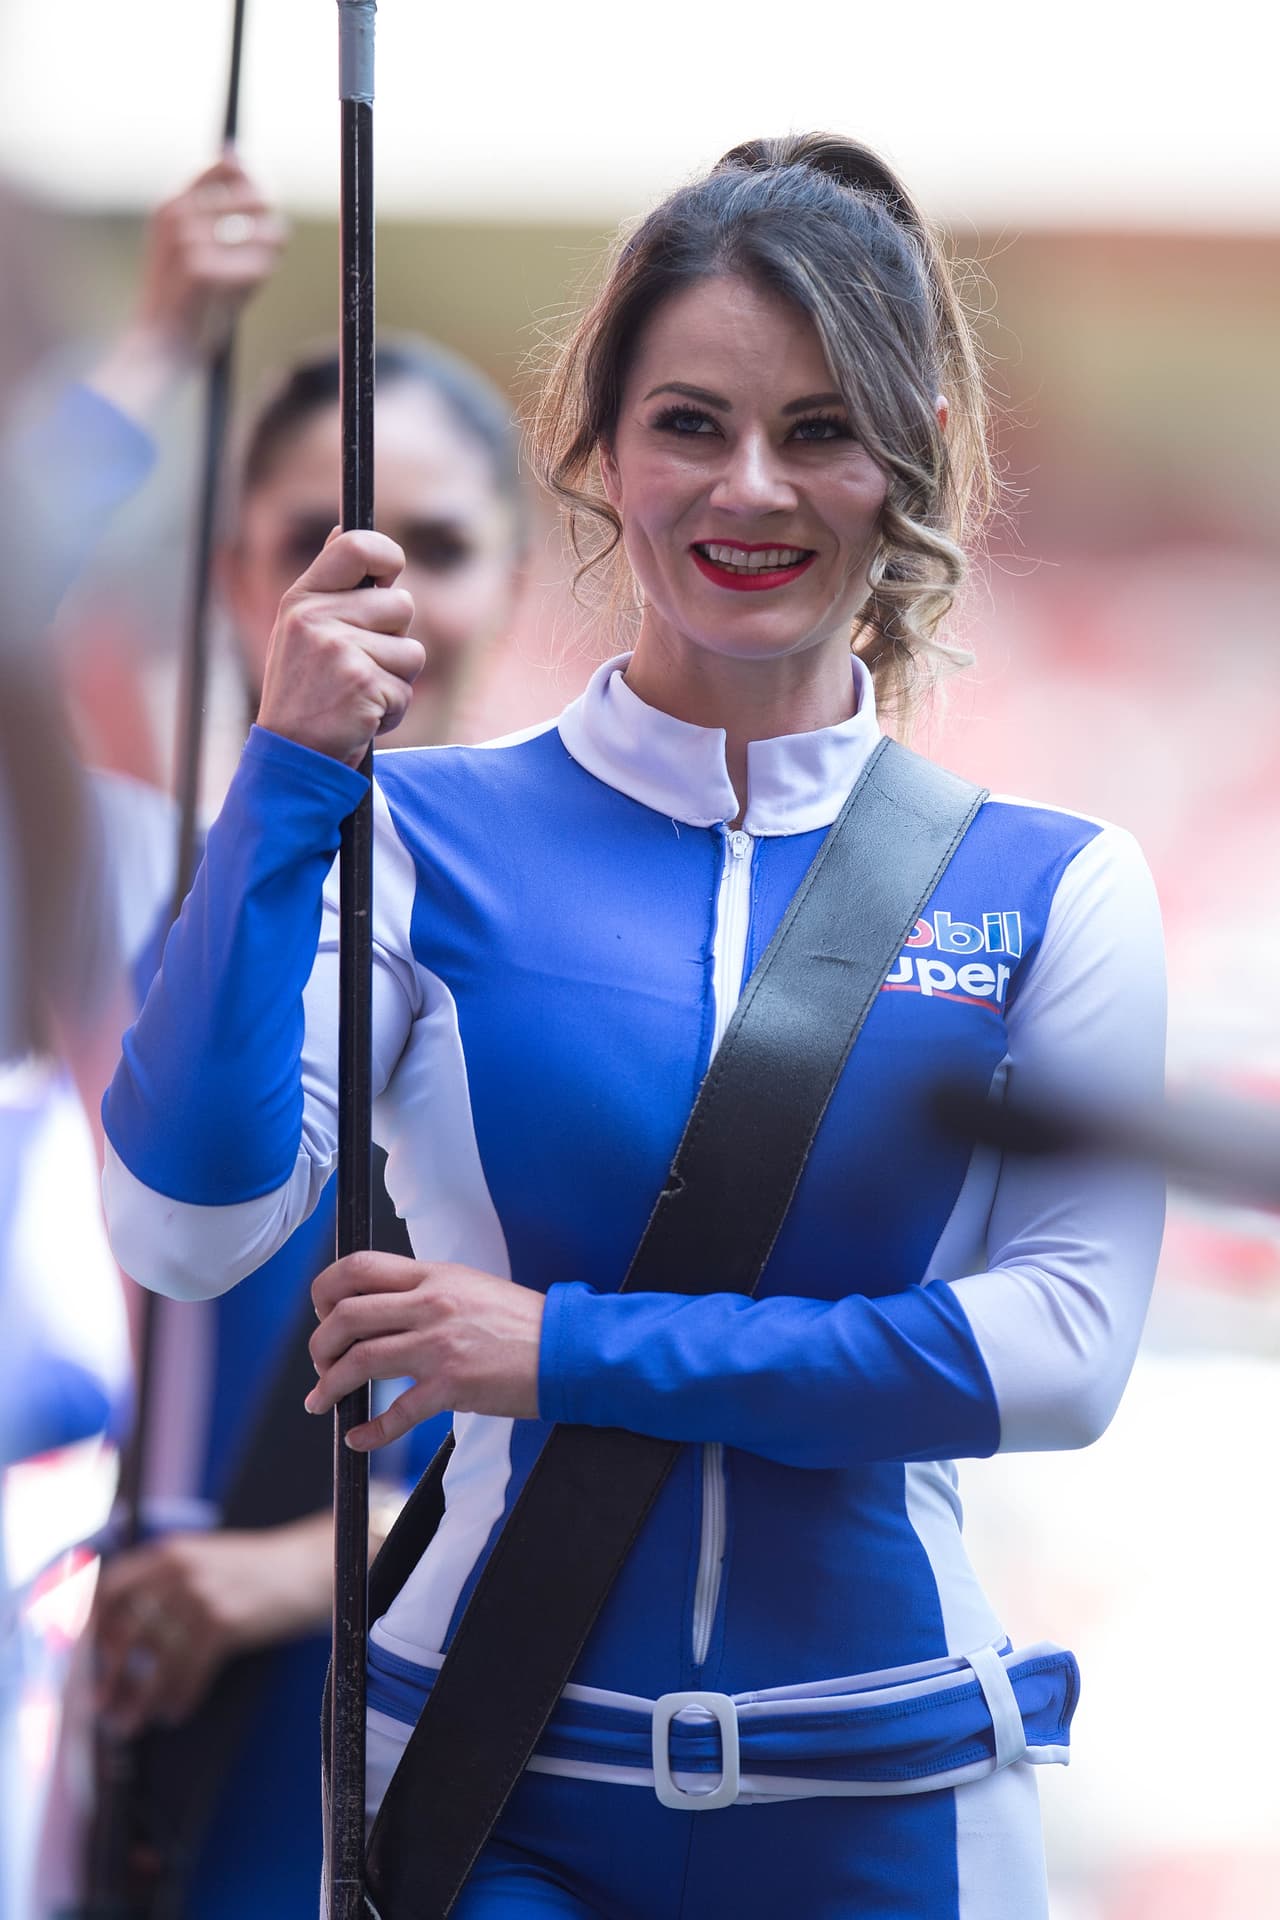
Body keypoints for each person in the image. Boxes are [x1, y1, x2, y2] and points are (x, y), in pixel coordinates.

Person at [101, 133, 1166, 1919]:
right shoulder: (421, 839)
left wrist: (561, 1345)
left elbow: (1056, 1355)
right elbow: (185, 1230)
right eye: (691, 422)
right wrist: (285, 780)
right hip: (487, 1790)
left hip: (892, 1796)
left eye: (821, 428)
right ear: (602, 452)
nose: (751, 486)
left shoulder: (1059, 886)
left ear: (908, 463)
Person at [84, 335, 528, 1915]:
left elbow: (637, 1430)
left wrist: (285, 1576)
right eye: (316, 551)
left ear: (520, 583)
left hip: (416, 1765)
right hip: (106, 1751)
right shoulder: (135, 937)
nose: (382, 607)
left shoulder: (566, 970)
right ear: (231, 583)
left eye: (447, 550)